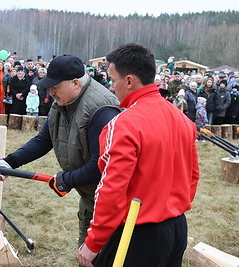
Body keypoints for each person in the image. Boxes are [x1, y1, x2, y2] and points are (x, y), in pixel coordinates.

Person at [77, 43, 199, 267]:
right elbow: (192, 177)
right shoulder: (183, 120)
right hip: (176, 228)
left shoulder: (123, 124)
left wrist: (93, 241)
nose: (112, 88)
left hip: (137, 232)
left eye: (114, 80)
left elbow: (111, 189)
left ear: (130, 80)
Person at [0, 54, 120, 255]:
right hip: (90, 198)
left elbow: (101, 165)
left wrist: (66, 179)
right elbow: (44, 140)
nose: (50, 92)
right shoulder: (61, 102)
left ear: (75, 83)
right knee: (87, 257)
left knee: (103, 257)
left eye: (55, 87)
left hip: (109, 204)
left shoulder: (101, 109)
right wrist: (9, 162)